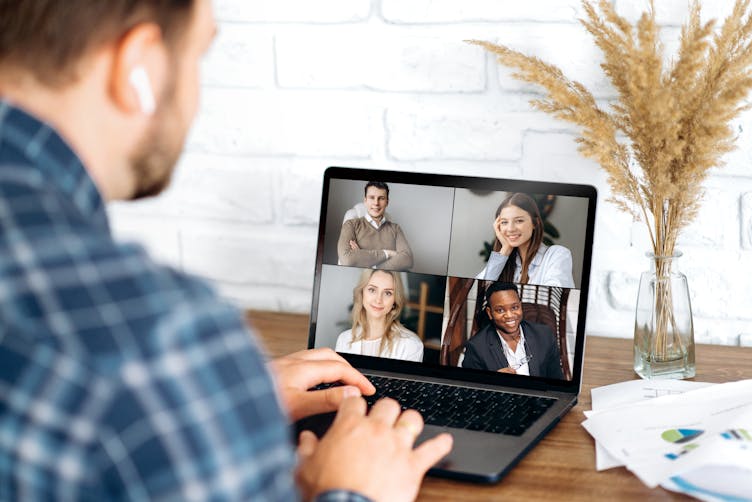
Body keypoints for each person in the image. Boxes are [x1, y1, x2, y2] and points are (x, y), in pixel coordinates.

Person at [0, 1, 452, 500]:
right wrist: (354, 492)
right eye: (197, 56)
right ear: (140, 68)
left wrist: (203, 403)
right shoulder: (161, 340)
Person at [461, 282, 564, 379]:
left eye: (514, 307)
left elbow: (557, 382)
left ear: (520, 306)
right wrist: (492, 381)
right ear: (489, 313)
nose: (509, 315)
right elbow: (469, 389)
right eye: (500, 310)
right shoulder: (476, 348)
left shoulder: (544, 335)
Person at [477, 192, 575, 288]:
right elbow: (478, 290)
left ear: (535, 223)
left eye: (519, 221)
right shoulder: (507, 262)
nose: (510, 229)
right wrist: (505, 250)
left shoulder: (558, 255)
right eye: (504, 222)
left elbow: (552, 299)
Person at [336, 269, 424, 362]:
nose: (378, 300)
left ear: (394, 300)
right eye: (372, 290)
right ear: (362, 293)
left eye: (387, 293)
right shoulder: (344, 340)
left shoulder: (411, 345)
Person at [337, 181, 414, 270]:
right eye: (372, 198)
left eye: (381, 198)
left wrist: (365, 260)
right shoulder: (351, 225)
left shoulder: (395, 228)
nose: (376, 203)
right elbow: (347, 260)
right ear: (365, 201)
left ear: (387, 202)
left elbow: (408, 260)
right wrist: (387, 253)